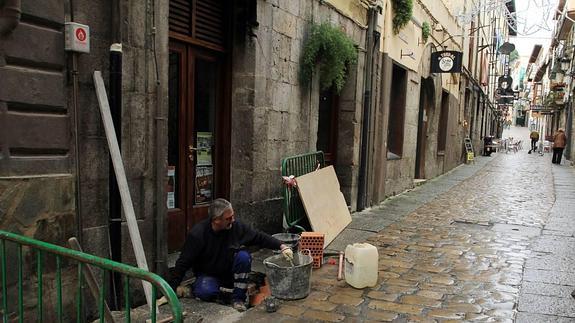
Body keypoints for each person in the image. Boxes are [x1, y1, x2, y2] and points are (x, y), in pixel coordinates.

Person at [167, 198, 294, 312]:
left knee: (244, 257)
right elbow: (183, 263)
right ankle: (193, 288)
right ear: (216, 220)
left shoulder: (236, 227)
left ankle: (238, 299)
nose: (232, 220)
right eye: (228, 218)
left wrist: (281, 246)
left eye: (233, 216)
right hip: (209, 275)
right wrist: (169, 290)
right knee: (204, 292)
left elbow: (259, 237)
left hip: (231, 273)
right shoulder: (198, 235)